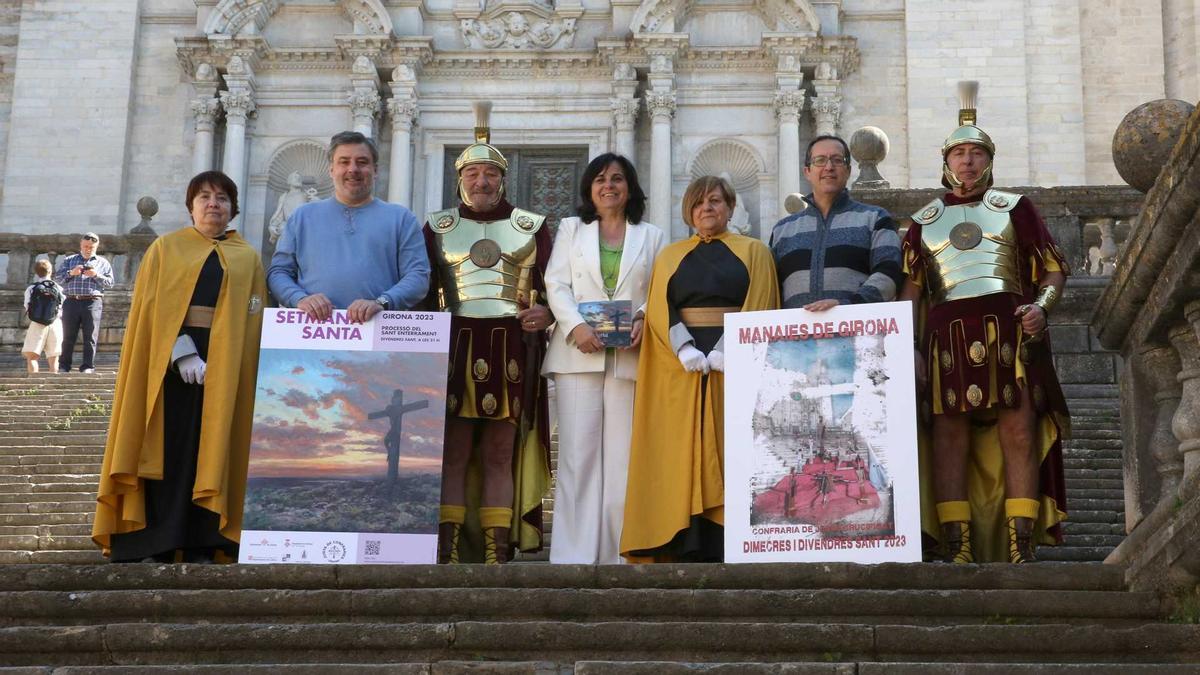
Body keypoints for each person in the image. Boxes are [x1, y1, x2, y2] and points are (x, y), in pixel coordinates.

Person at [898, 86, 1070, 563]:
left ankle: (1021, 543)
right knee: (948, 433)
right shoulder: (921, 222)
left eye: (976, 153)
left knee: (1018, 430)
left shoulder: (1016, 209)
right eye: (960, 153)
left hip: (1010, 329)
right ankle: (959, 545)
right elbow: (911, 291)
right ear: (947, 161)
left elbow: (1053, 268)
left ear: (988, 159)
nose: (968, 162)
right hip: (944, 336)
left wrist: (1044, 306)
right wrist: (910, 347)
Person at [93, 170, 266, 563]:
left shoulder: (247, 258)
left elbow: (253, 318)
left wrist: (229, 360)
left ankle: (205, 539)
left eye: (222, 198)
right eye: (204, 196)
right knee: (168, 448)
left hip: (225, 367)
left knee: (212, 447)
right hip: (168, 368)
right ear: (190, 206)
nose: (213, 204)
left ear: (233, 208)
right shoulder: (165, 249)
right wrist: (181, 350)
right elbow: (152, 310)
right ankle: (157, 540)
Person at [620, 175, 779, 563]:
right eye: (698, 203)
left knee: (730, 446)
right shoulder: (671, 255)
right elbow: (659, 305)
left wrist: (730, 347)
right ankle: (682, 537)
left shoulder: (754, 251)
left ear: (730, 207)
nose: (707, 209)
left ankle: (732, 539)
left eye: (715, 201)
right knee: (683, 449)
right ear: (688, 211)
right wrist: (684, 347)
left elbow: (761, 298)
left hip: (734, 362)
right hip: (684, 366)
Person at [424, 102, 553, 564]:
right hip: (452, 345)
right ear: (461, 178)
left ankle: (499, 554)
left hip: (511, 346)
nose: (482, 182)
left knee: (500, 451)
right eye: (474, 173)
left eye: (491, 174)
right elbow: (423, 293)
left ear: (503, 179)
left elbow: (551, 288)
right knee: (453, 449)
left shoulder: (531, 227)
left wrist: (548, 314)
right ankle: (449, 551)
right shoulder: (436, 227)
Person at [541, 152, 667, 564]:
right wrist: (575, 325)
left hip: (628, 356)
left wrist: (643, 319)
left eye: (616, 178)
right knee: (577, 456)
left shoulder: (652, 236)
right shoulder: (571, 229)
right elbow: (556, 282)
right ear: (589, 189)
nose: (608, 185)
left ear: (629, 187)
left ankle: (620, 551)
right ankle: (573, 555)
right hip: (579, 351)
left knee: (623, 458)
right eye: (599, 179)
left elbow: (658, 290)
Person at [268, 131, 429, 322]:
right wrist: (300, 299)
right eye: (344, 162)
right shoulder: (301, 217)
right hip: (313, 333)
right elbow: (279, 272)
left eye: (362, 162)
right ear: (331, 170)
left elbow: (418, 276)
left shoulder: (402, 219)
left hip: (377, 334)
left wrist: (382, 302)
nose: (353, 169)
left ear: (375, 170)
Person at [770, 135, 903, 312]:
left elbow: (889, 273)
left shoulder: (875, 219)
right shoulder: (782, 231)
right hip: (795, 337)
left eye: (837, 160)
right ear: (807, 172)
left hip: (857, 334)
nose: (829, 167)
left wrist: (847, 307)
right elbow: (771, 289)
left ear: (848, 170)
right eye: (820, 160)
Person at [54, 232, 114, 373]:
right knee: (67, 335)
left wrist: (96, 275)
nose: (88, 249)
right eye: (86, 246)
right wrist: (71, 273)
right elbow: (58, 279)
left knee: (90, 336)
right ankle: (64, 365)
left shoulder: (103, 263)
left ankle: (88, 366)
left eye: (91, 247)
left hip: (92, 302)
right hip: (71, 301)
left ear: (96, 247)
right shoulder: (70, 260)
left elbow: (110, 283)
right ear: (81, 245)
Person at [21, 259, 65, 374]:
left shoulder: (32, 288)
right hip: (55, 322)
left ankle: (33, 384)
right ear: (50, 270)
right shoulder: (58, 288)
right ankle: (53, 382)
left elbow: (27, 305)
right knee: (53, 358)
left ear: (36, 272)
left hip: (37, 323)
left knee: (32, 356)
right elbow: (62, 306)